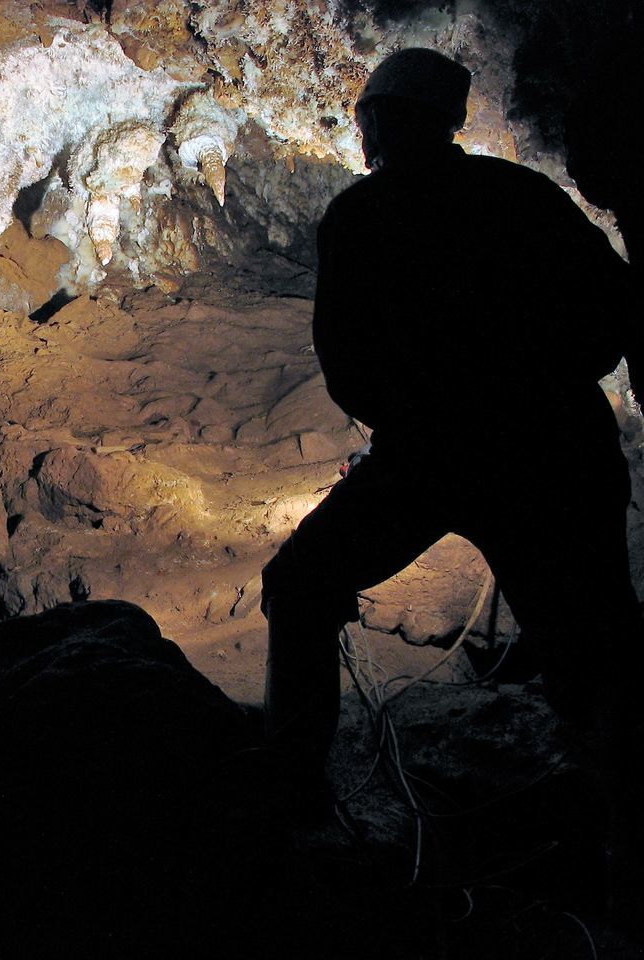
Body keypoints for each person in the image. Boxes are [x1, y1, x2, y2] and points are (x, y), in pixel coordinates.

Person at [259, 48, 644, 834]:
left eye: (367, 114)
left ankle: (291, 798)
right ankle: (628, 828)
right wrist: (549, 383)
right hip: (556, 447)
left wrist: (415, 420)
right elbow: (615, 309)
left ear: (379, 122)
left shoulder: (362, 217)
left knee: (300, 587)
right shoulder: (521, 194)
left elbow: (350, 368)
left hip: (436, 456)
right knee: (597, 652)